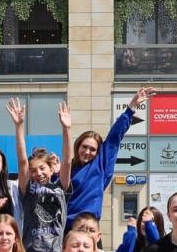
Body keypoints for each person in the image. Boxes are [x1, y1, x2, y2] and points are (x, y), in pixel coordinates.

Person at [63, 88, 152, 225]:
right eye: (84, 147)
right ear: (77, 146)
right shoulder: (67, 169)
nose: (87, 152)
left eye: (92, 149)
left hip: (89, 227)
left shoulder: (100, 165)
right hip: (66, 229)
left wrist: (131, 107)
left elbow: (115, 137)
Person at [11, 97, 67, 252]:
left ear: (52, 168)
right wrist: (19, 126)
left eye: (42, 168)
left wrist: (66, 128)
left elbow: (68, 162)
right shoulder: (28, 189)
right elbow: (22, 162)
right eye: (34, 170)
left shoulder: (61, 187)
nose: (38, 173)